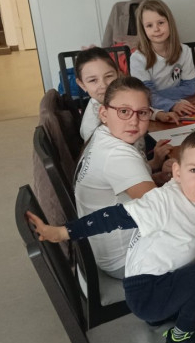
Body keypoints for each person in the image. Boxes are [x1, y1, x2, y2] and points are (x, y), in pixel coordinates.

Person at [27, 129, 195, 343]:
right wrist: (63, 232)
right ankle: (182, 340)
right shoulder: (163, 202)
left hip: (165, 279)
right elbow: (111, 218)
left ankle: (173, 313)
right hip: (148, 293)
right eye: (194, 170)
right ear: (177, 172)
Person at [74, 77, 172, 278]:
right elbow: (161, 212)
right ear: (104, 113)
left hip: (104, 247)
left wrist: (160, 178)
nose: (134, 121)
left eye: (142, 112)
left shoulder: (103, 135)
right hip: (125, 260)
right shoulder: (117, 155)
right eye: (124, 111)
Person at [74, 47, 178, 143]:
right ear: (82, 85)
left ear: (118, 74)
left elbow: (133, 108)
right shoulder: (91, 127)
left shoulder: (119, 98)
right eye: (93, 80)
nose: (104, 85)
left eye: (109, 76)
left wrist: (157, 114)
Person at [129, 0, 195, 116]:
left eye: (161, 23)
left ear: (169, 23)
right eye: (149, 25)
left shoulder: (185, 51)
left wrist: (155, 94)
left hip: (181, 105)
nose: (156, 29)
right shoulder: (137, 59)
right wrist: (171, 105)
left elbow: (191, 88)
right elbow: (144, 95)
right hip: (153, 111)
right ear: (143, 30)